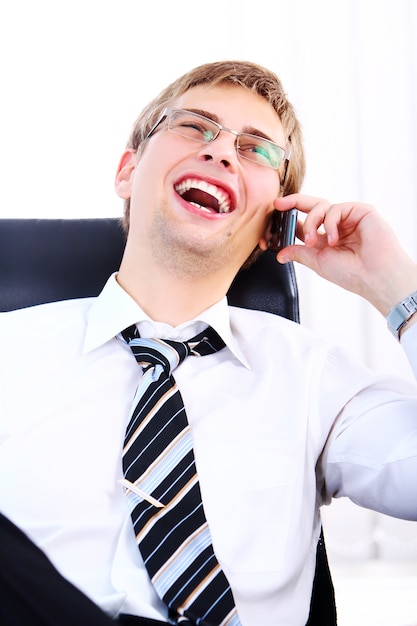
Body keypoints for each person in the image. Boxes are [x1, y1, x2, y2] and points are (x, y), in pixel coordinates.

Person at [1, 59, 417, 626]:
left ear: (279, 223)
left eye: (256, 149)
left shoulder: (317, 379)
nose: (220, 152)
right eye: (195, 126)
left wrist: (398, 288)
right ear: (128, 171)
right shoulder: (9, 349)